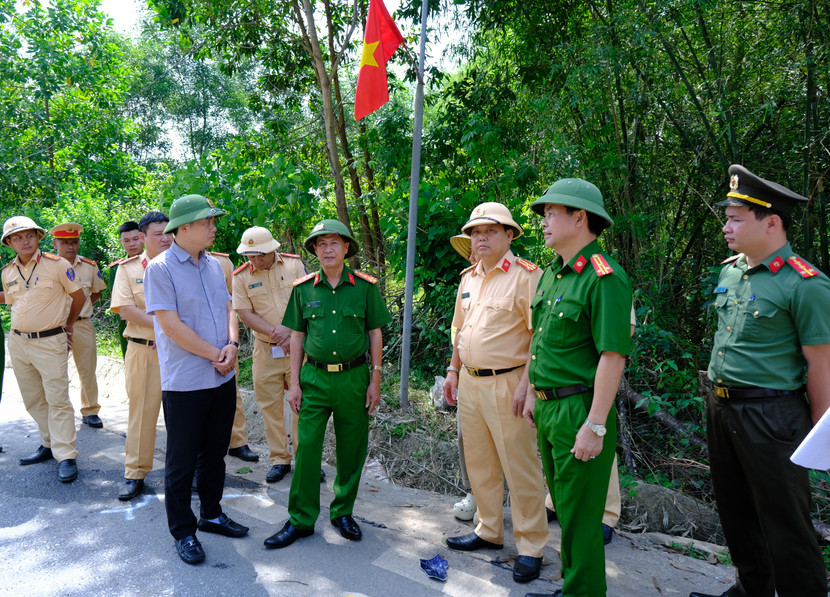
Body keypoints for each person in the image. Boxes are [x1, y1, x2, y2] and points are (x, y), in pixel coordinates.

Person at [688, 165, 830, 597]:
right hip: (721, 405)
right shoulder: (731, 272)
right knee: (736, 512)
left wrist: (820, 437)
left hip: (772, 415)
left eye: (735, 218)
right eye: (726, 216)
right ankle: (752, 589)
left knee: (785, 521)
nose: (726, 226)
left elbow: (821, 364)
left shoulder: (805, 284)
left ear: (771, 222)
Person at [521, 178, 632, 597]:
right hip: (550, 409)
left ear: (579, 218)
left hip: (579, 410)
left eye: (552, 213)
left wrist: (596, 425)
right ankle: (576, 586)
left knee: (583, 520)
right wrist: (532, 392)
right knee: (567, 512)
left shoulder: (604, 278)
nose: (544, 222)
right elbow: (542, 341)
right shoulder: (553, 274)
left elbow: (612, 356)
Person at [263, 219, 391, 549]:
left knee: (352, 449)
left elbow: (375, 332)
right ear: (315, 251)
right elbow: (297, 336)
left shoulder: (364, 287)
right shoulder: (304, 288)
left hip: (353, 378)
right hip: (314, 379)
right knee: (305, 449)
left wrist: (375, 378)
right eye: (321, 244)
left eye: (334, 242)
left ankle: (342, 512)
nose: (328, 248)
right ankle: (301, 519)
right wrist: (294, 384)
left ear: (347, 247)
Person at [442, 203, 549, 585]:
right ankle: (488, 529)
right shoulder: (469, 277)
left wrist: (529, 383)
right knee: (480, 461)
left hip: (510, 383)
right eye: (475, 232)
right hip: (470, 382)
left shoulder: (526, 277)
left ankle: (532, 545)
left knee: (520, 467)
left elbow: (541, 336)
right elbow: (459, 329)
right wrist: (453, 371)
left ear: (510, 235)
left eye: (490, 231)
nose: (480, 238)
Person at [144, 195, 249, 565]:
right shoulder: (160, 269)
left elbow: (228, 308)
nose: (214, 227)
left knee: (216, 454)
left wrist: (232, 344)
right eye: (207, 222)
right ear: (183, 227)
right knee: (181, 460)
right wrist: (213, 354)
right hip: (187, 381)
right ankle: (183, 531)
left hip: (222, 376)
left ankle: (212, 513)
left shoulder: (213, 266)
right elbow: (169, 325)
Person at [1, 216, 86, 483]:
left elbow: (79, 297)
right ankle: (50, 443)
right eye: (17, 237)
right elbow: (14, 302)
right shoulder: (7, 272)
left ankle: (66, 455)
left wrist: (69, 325)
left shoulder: (57, 265)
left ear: (38, 238)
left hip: (50, 342)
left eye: (29, 235)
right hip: (18, 342)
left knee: (58, 399)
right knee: (33, 399)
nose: (24, 241)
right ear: (9, 243)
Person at [232, 226, 308, 483]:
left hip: (299, 346)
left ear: (271, 250)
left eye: (259, 255)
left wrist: (290, 332)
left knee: (303, 405)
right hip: (265, 349)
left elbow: (306, 300)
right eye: (249, 256)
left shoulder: (294, 266)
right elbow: (244, 313)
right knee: (270, 406)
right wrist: (278, 334)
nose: (254, 260)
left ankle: (305, 458)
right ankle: (280, 459)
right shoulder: (241, 276)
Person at [110, 211, 173, 501]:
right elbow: (125, 309)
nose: (165, 238)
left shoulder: (185, 263)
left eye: (168, 232)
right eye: (157, 234)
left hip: (183, 352)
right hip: (144, 350)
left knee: (186, 416)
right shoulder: (129, 269)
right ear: (143, 238)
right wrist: (166, 327)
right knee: (142, 415)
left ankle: (189, 470)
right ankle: (135, 473)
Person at [49, 223, 107, 429]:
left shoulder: (90, 266)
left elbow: (97, 292)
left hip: (82, 325)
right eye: (65, 243)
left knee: (87, 369)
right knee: (55, 371)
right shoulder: (48, 266)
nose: (70, 247)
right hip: (54, 326)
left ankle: (90, 410)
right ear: (55, 243)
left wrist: (83, 307)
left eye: (74, 242)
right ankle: (59, 411)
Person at [207, 247, 259, 464]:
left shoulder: (221, 263)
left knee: (231, 392)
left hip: (223, 341)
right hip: (189, 341)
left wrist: (232, 341)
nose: (210, 228)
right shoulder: (167, 264)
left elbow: (231, 304)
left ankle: (237, 442)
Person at [110, 221, 144, 358]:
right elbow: (117, 300)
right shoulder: (115, 268)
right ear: (121, 242)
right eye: (126, 240)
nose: (132, 244)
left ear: (143, 237)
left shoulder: (157, 263)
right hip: (128, 325)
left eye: (135, 239)